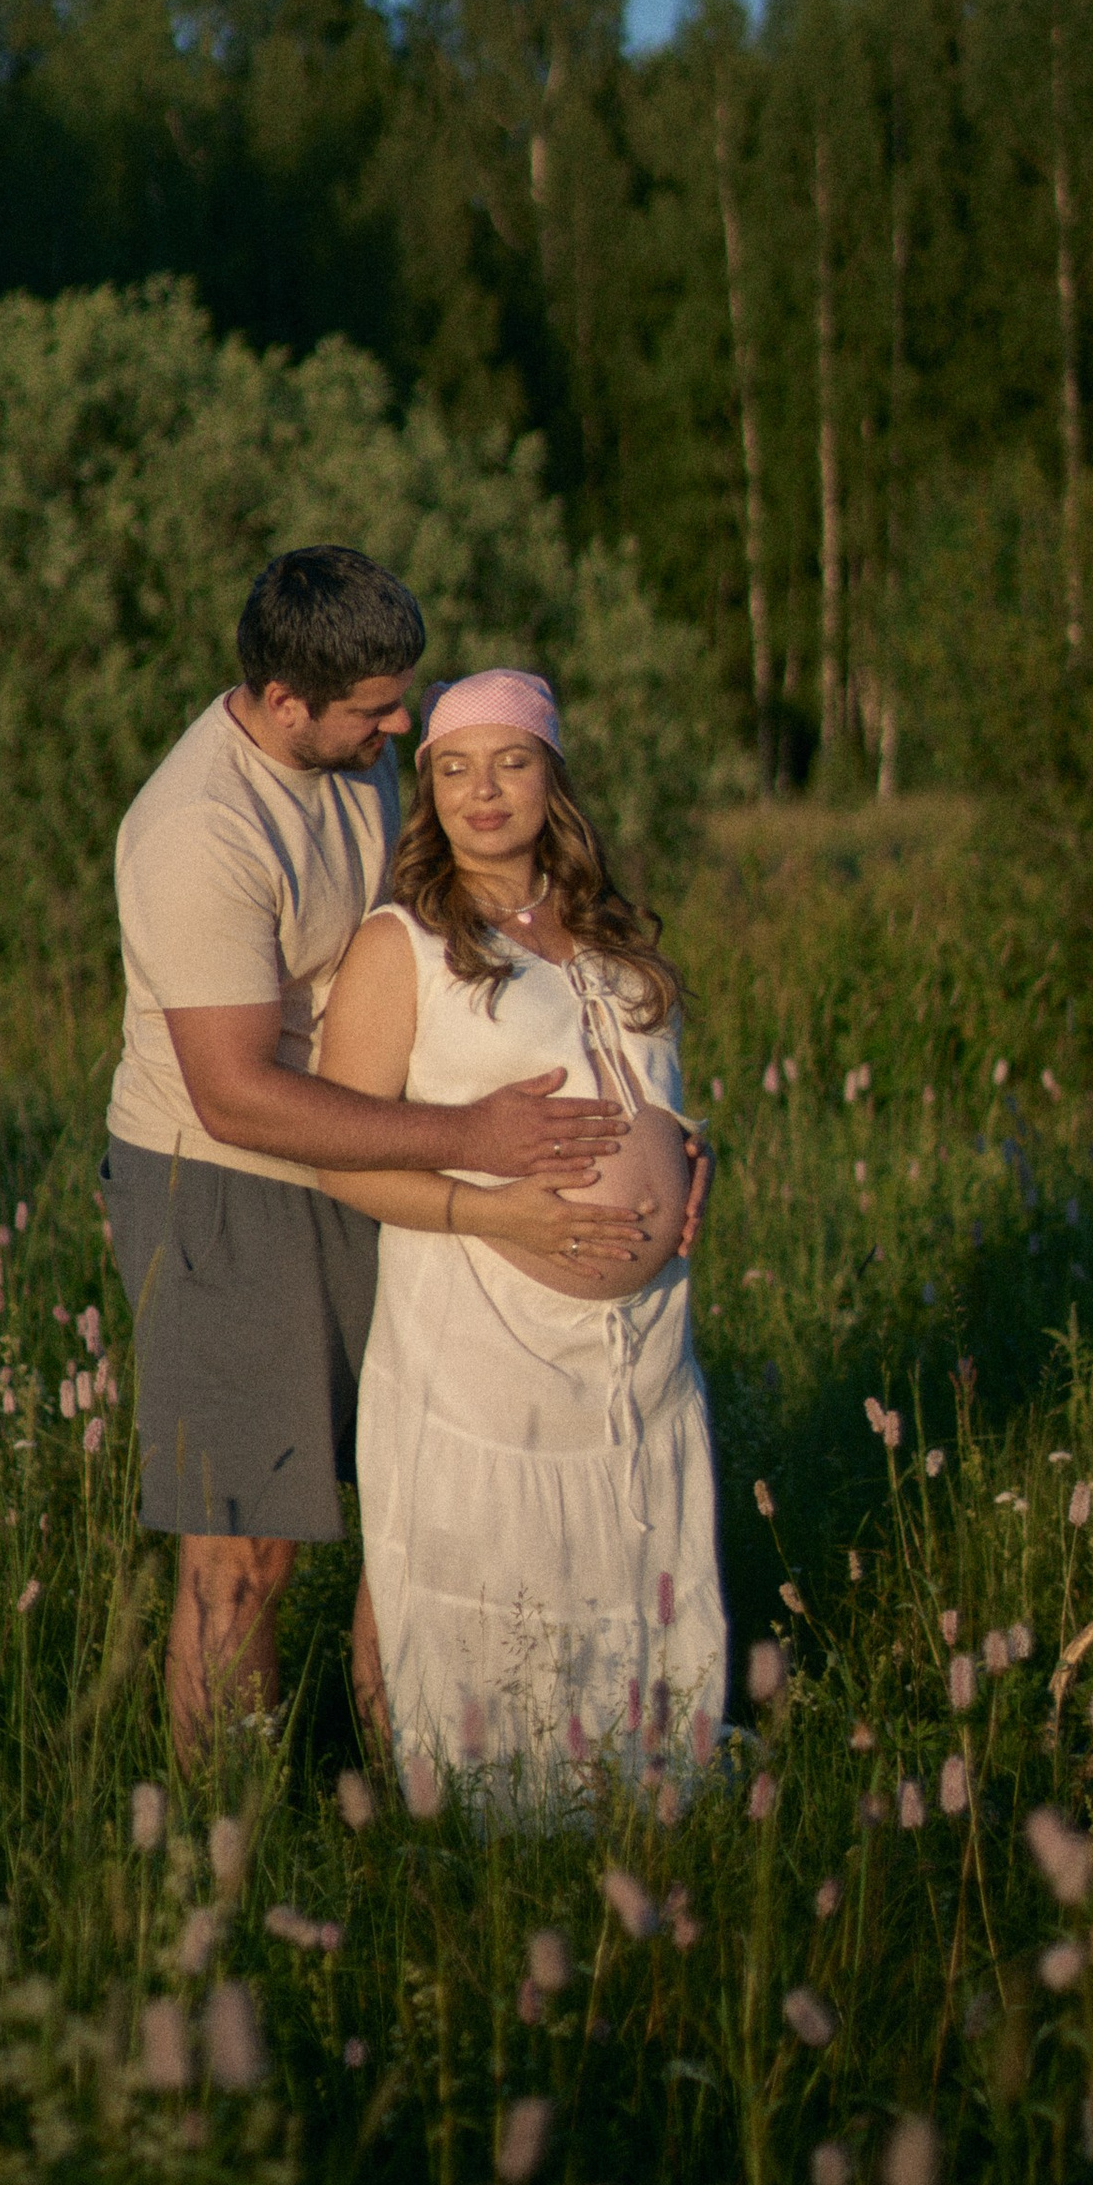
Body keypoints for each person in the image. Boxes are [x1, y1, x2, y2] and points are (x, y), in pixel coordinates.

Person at [102, 553, 646, 1761]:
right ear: (284, 701)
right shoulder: (199, 830)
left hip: (367, 1150)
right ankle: (226, 1820)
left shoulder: (350, 754)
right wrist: (466, 1138)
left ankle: (423, 1786)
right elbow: (236, 1097)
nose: (401, 726)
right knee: (246, 1545)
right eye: (375, 709)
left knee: (415, 1496)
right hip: (226, 1188)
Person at [314, 669, 726, 1787]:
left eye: (509, 763)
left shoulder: (606, 933)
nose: (482, 792)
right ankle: (465, 1820)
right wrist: (496, 1211)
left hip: (638, 1342)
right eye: (453, 769)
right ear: (429, 790)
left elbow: (659, 1098)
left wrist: (693, 1163)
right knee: (478, 1569)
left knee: (623, 1565)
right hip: (484, 1320)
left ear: (553, 777)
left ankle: (633, 1790)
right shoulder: (402, 944)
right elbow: (339, 1155)